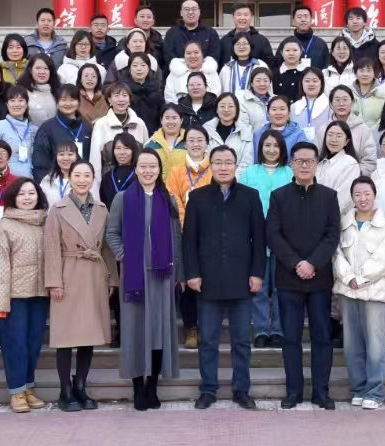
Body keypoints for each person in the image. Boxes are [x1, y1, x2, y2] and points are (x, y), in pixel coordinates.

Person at [182, 146, 267, 410]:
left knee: (241, 341)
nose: (223, 167)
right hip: (207, 282)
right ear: (210, 165)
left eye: (228, 162)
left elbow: (259, 238)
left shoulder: (250, 196)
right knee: (208, 340)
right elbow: (189, 240)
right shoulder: (197, 197)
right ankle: (208, 389)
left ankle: (241, 390)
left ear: (235, 166)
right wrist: (192, 273)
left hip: (242, 281)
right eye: (217, 162)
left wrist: (257, 273)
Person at [105, 148, 183, 411]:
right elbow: (111, 233)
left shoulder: (168, 199)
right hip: (134, 278)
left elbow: (176, 237)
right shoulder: (122, 198)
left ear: (159, 170)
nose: (148, 171)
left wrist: (178, 271)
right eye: (143, 166)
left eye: (153, 166)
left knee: (159, 331)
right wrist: (125, 256)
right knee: (135, 331)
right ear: (136, 169)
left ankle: (153, 387)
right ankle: (138, 386)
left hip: (162, 276)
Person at [267, 142, 341, 410]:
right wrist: (297, 263)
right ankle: (293, 392)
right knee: (291, 338)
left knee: (322, 337)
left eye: (310, 161)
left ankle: (321, 392)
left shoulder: (329, 196)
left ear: (317, 164)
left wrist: (312, 263)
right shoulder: (279, 196)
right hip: (289, 278)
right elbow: (272, 234)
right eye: (299, 161)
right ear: (292, 164)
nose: (305, 165)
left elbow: (332, 234)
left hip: (319, 279)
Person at [44, 160, 116, 412]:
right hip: (68, 273)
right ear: (70, 178)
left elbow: (106, 247)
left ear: (93, 179)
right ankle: (65, 390)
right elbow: (51, 247)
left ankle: (81, 385)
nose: (82, 180)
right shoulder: (58, 209)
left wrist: (112, 278)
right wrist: (54, 281)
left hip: (94, 274)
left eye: (87, 175)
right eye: (77, 175)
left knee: (89, 335)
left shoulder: (102, 209)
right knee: (65, 337)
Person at [0, 178, 51, 414]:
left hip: (39, 294)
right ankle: (16, 391)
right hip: (14, 297)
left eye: (31, 193)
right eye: (22, 193)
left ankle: (28, 387)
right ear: (13, 197)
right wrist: (1, 302)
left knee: (33, 344)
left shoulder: (44, 223)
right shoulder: (4, 227)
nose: (27, 198)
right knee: (15, 345)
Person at [335, 177, 385, 410]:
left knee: (375, 346)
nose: (363, 198)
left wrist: (360, 279)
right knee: (352, 346)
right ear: (352, 197)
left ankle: (375, 392)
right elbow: (336, 255)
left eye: (367, 193)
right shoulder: (344, 224)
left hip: (375, 293)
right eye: (358, 194)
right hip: (348, 292)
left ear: (374, 195)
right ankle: (359, 389)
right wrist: (348, 277)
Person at [239, 130, 292, 348]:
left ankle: (278, 330)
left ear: (282, 149)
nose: (271, 150)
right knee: (258, 287)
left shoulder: (289, 173)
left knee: (280, 288)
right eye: (267, 145)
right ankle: (261, 330)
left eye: (276, 146)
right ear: (260, 147)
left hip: (284, 240)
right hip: (256, 239)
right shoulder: (249, 173)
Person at [31, 84, 91, 183]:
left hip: (82, 182)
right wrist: (47, 185)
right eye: (63, 99)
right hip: (55, 183)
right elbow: (40, 163)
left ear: (79, 102)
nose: (68, 103)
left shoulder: (87, 128)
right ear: (57, 102)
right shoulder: (47, 128)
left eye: (72, 99)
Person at [89, 83, 150, 176]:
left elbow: (146, 155)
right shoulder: (101, 124)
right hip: (109, 178)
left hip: (136, 178)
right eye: (116, 95)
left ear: (129, 100)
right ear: (109, 99)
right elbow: (95, 159)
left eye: (125, 95)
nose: (121, 99)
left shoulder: (139, 124)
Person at [315, 85, 377, 175]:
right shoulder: (323, 129)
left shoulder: (364, 129)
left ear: (352, 102)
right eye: (337, 100)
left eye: (345, 100)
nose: (341, 104)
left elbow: (369, 161)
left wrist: (355, 175)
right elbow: (316, 156)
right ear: (331, 104)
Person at [0, 85, 37, 178]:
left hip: (29, 180)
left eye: (21, 100)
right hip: (5, 180)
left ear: (26, 104)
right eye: (12, 100)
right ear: (7, 104)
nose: (16, 104)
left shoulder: (34, 129)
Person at [316, 121, 362, 215]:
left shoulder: (350, 164)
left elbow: (344, 199)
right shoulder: (319, 163)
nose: (333, 139)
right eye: (330, 135)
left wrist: (323, 215)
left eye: (339, 136)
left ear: (347, 141)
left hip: (334, 217)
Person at [204, 92, 255, 174]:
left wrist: (232, 178)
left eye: (230, 106)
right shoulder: (206, 130)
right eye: (222, 106)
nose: (226, 110)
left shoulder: (246, 131)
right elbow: (204, 159)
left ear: (237, 109)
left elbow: (247, 163)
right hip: (211, 178)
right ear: (216, 109)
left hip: (238, 179)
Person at [162, 0, 220, 70]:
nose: (190, 12)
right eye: (187, 9)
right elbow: (168, 56)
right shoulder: (172, 33)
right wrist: (185, 70)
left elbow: (215, 56)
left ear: (199, 12)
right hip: (178, 74)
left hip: (205, 74)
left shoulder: (211, 33)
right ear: (181, 13)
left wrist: (200, 70)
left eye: (194, 9)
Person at [219, 1, 275, 67]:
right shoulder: (225, 40)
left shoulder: (262, 40)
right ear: (233, 17)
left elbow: (270, 65)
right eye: (239, 15)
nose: (242, 18)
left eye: (246, 15)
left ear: (251, 17)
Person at [121, 52, 166, 132]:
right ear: (129, 69)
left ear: (148, 68)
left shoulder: (157, 87)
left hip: (154, 133)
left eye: (143, 65)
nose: (139, 69)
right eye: (135, 65)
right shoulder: (123, 89)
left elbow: (163, 113)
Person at [253, 95, 306, 161]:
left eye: (282, 109)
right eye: (274, 109)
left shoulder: (299, 135)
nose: (278, 113)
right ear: (268, 114)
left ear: (289, 113)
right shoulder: (258, 134)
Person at [98, 134, 141, 212]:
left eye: (126, 148)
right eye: (118, 148)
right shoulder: (107, 177)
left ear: (133, 150)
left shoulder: (139, 175)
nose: (122, 152)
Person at [16, 53, 62, 126]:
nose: (42, 72)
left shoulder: (58, 91)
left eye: (46, 68)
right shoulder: (21, 92)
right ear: (30, 70)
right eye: (38, 68)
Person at [284, 5, 331, 70]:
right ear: (293, 21)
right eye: (299, 17)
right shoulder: (286, 43)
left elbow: (327, 67)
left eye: (306, 16)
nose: (303, 19)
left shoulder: (321, 44)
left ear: (311, 20)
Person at [291, 69, 329, 140]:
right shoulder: (294, 107)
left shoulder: (329, 106)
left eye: (315, 81)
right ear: (301, 83)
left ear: (321, 83)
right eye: (307, 81)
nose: (311, 84)